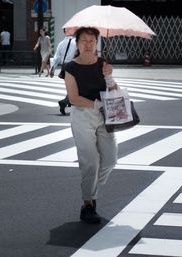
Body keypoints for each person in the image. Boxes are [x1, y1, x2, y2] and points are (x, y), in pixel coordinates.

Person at [63, 27, 118, 224]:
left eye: (92, 41)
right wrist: (96, 104)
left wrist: (109, 77)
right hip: (82, 116)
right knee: (90, 162)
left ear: (97, 43)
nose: (88, 44)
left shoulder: (103, 63)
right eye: (84, 40)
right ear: (77, 43)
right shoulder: (70, 67)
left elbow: (114, 91)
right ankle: (88, 203)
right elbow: (73, 98)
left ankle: (92, 182)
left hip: (104, 116)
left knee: (111, 159)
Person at [49, 30, 77, 115]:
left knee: (70, 87)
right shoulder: (76, 42)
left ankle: (69, 102)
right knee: (76, 87)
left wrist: (52, 69)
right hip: (73, 66)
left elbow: (57, 57)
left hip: (64, 66)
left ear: (64, 32)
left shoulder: (61, 43)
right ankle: (65, 101)